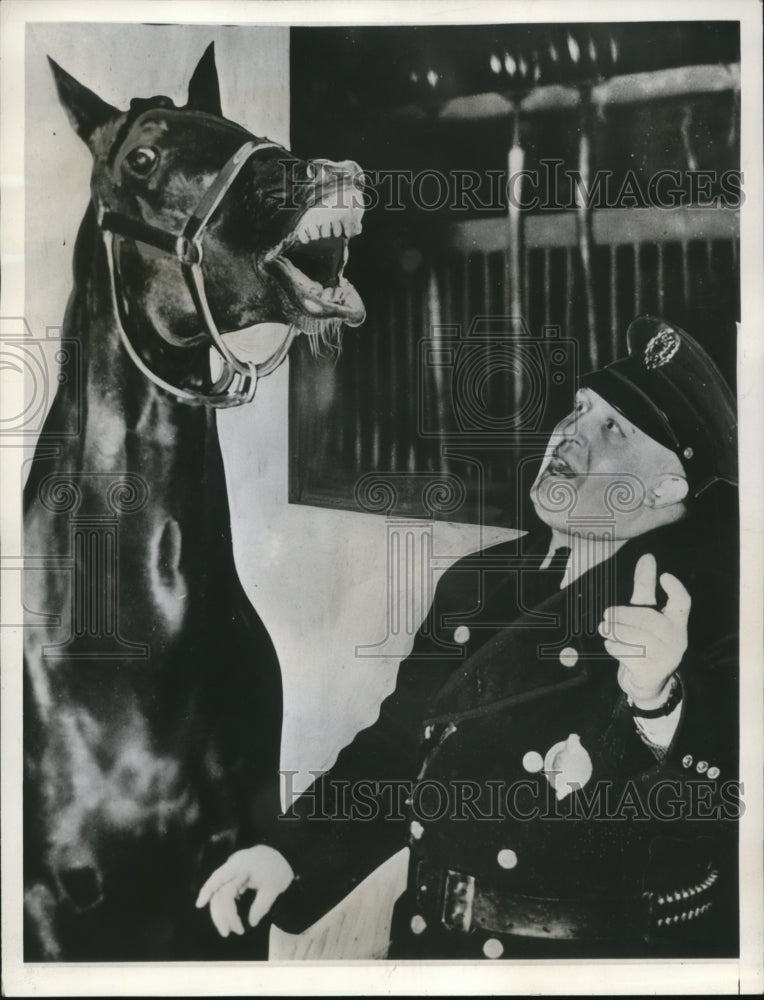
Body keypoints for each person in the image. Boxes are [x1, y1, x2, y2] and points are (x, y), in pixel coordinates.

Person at [196, 315, 739, 959]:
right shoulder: (478, 580)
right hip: (432, 948)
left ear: (668, 485)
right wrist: (287, 854)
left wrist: (660, 702)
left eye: (612, 429)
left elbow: (727, 806)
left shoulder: (717, 605)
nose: (568, 433)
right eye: (578, 408)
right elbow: (404, 747)